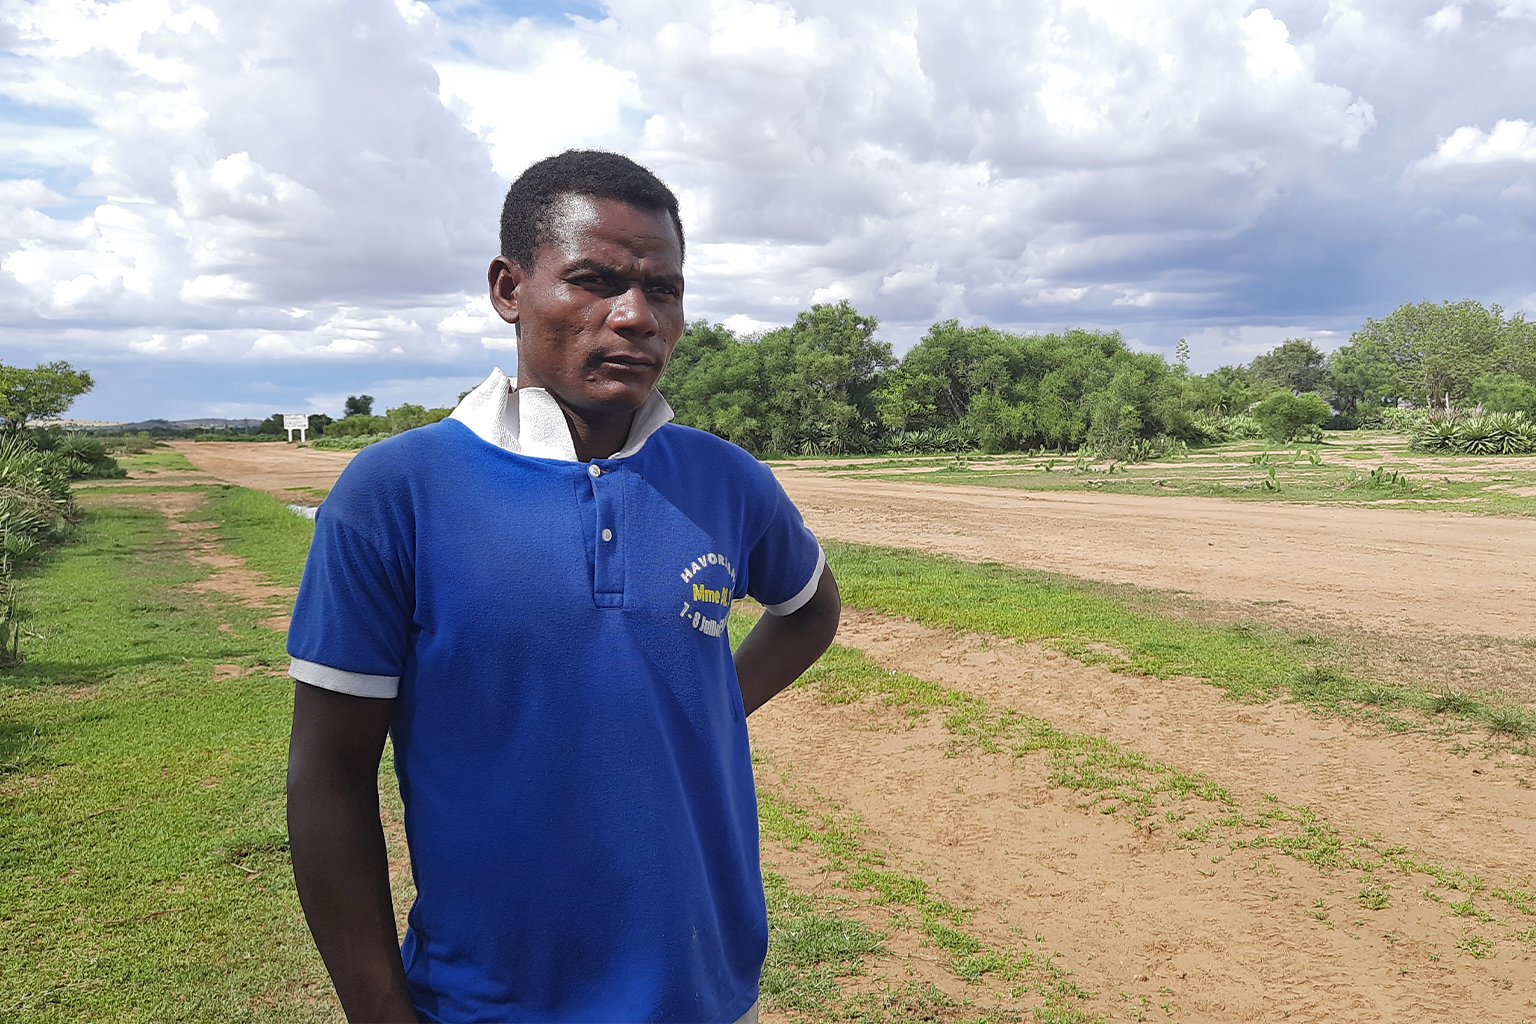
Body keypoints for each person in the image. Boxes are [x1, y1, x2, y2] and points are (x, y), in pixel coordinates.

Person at [284, 150, 841, 1024]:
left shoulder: (724, 479)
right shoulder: (399, 491)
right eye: (595, 281)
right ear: (510, 288)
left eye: (663, 289)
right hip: (488, 1002)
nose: (637, 316)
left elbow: (809, 610)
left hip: (707, 993)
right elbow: (328, 776)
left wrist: (704, 711)